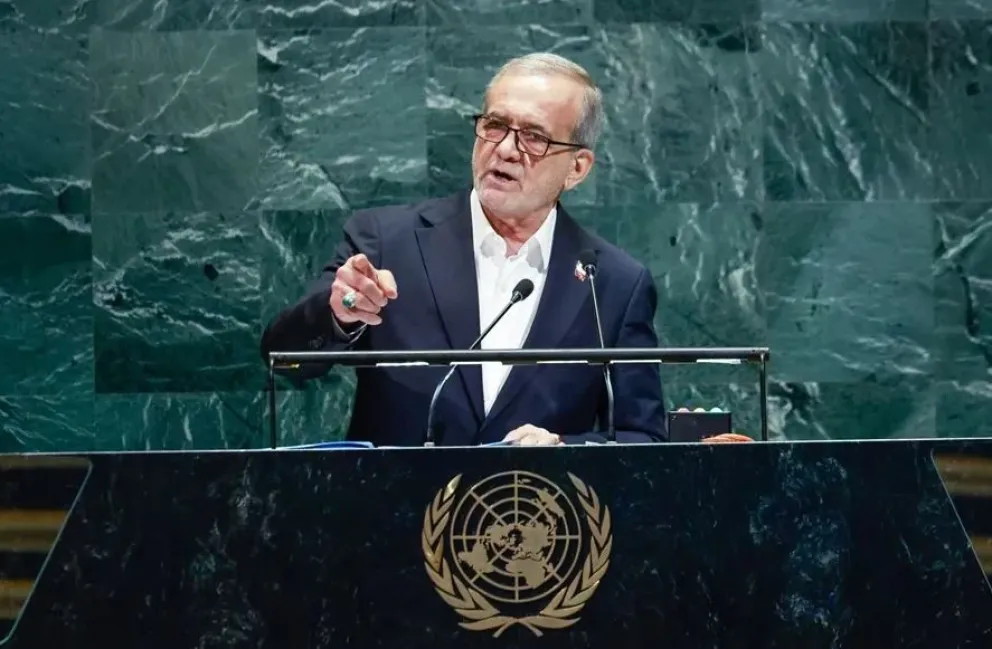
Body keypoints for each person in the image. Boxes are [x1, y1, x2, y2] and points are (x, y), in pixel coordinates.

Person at [260, 52, 667, 447]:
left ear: (577, 168)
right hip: (393, 508)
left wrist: (562, 447)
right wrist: (338, 315)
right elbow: (286, 360)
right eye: (495, 125)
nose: (506, 149)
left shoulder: (614, 283)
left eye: (534, 137)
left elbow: (643, 437)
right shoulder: (386, 241)